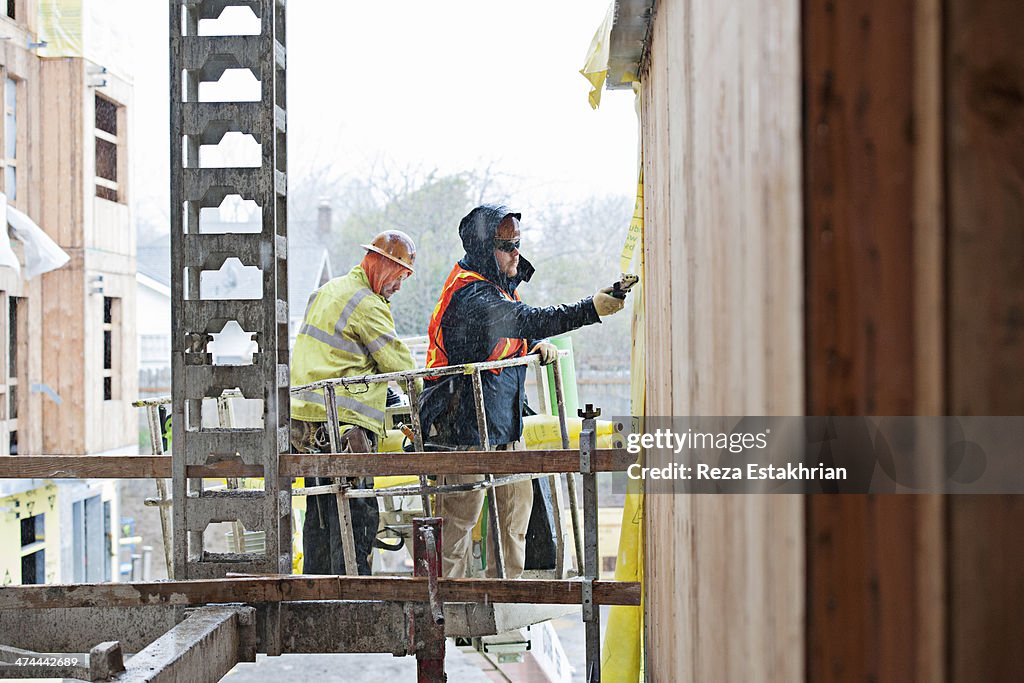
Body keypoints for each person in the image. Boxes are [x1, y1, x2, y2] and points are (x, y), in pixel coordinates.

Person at [419, 204, 625, 578]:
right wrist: (591, 308)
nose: (517, 252)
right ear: (485, 250)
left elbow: (495, 339)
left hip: (502, 425)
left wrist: (528, 347)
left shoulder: (497, 288)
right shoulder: (472, 296)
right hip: (464, 429)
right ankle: (446, 613)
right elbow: (524, 319)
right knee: (457, 525)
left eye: (518, 243)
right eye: (507, 245)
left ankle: (506, 599)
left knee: (514, 518)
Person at [290, 230, 417, 575]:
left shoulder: (329, 290)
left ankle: (317, 601)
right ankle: (353, 603)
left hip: (306, 425)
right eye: (400, 276)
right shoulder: (367, 303)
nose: (399, 287)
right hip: (344, 429)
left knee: (321, 519)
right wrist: (431, 391)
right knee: (356, 519)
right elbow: (399, 364)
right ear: (382, 263)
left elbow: (340, 356)